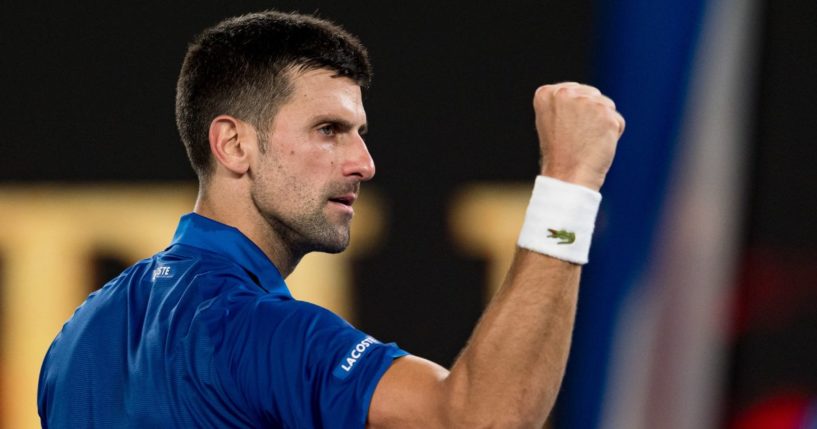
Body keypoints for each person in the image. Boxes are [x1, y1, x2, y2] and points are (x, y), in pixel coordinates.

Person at [38, 10, 624, 429]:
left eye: (359, 134)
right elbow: (487, 418)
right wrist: (568, 184)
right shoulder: (252, 331)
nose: (364, 164)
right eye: (329, 130)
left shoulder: (77, 337)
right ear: (234, 145)